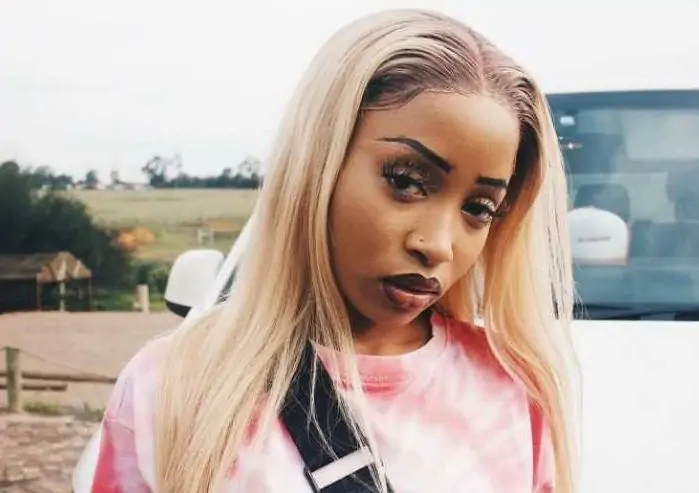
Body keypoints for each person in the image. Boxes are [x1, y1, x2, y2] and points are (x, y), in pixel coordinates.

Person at [90, 9, 579, 493]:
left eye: (479, 208)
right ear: (317, 161)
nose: (438, 245)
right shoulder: (171, 385)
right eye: (406, 181)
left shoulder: (514, 390)